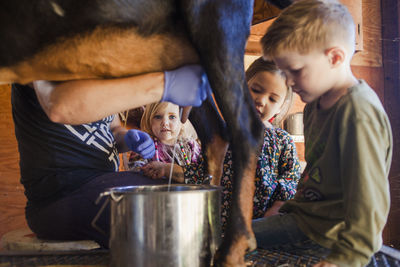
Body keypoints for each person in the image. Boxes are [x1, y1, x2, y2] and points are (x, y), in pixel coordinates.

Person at [253, 0, 393, 266]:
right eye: (285, 72)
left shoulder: (358, 112)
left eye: (295, 71)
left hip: (332, 236)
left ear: (335, 57)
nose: (290, 83)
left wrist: (347, 258)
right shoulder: (313, 106)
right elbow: (316, 175)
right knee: (231, 239)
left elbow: (369, 203)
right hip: (302, 221)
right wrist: (289, 205)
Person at [11, 64, 211, 248]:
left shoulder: (98, 65)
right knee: (165, 209)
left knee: (191, 200)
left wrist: (129, 138)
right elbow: (59, 106)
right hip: (60, 195)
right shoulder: (41, 49)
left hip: (102, 182)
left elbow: (113, 128)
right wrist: (164, 85)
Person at [147, 57, 301, 232]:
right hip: (221, 229)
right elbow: (203, 173)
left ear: (281, 107)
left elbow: (290, 182)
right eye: (256, 90)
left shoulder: (283, 141)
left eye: (273, 99)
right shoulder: (223, 135)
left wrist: (273, 215)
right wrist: (167, 169)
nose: (261, 101)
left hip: (261, 229)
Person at [127, 101, 201, 179]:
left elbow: (202, 175)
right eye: (158, 117)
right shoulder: (144, 146)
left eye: (172, 117)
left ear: (181, 121)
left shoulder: (192, 146)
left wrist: (167, 169)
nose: (165, 123)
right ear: (149, 121)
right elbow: (135, 173)